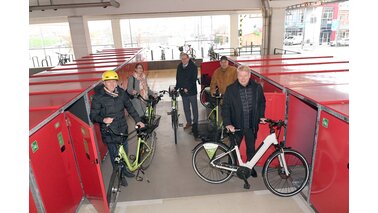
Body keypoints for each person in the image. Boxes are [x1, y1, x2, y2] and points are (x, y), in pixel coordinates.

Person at [90, 70, 145, 187]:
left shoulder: (121, 93)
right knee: (116, 157)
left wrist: (138, 120)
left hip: (122, 130)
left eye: (114, 81)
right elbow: (93, 116)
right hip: (110, 132)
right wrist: (103, 119)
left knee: (124, 152)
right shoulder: (98, 97)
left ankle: (125, 170)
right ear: (104, 83)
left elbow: (130, 107)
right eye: (109, 82)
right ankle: (120, 176)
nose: (112, 84)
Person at [222, 65, 266, 178]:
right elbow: (225, 107)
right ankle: (230, 168)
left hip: (252, 125)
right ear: (237, 75)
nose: (243, 78)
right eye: (240, 75)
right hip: (236, 126)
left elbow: (262, 102)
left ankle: (249, 168)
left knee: (251, 148)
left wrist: (261, 115)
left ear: (250, 75)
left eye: (245, 75)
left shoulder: (257, 88)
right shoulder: (231, 89)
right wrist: (228, 123)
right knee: (233, 149)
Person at [175, 53, 199, 138]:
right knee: (186, 108)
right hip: (183, 92)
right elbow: (178, 78)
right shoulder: (179, 66)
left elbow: (193, 79)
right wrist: (176, 87)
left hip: (191, 91)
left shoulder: (193, 67)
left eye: (185, 58)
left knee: (194, 108)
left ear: (188, 58)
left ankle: (195, 123)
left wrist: (187, 88)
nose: (183, 60)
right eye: (182, 59)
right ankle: (189, 122)